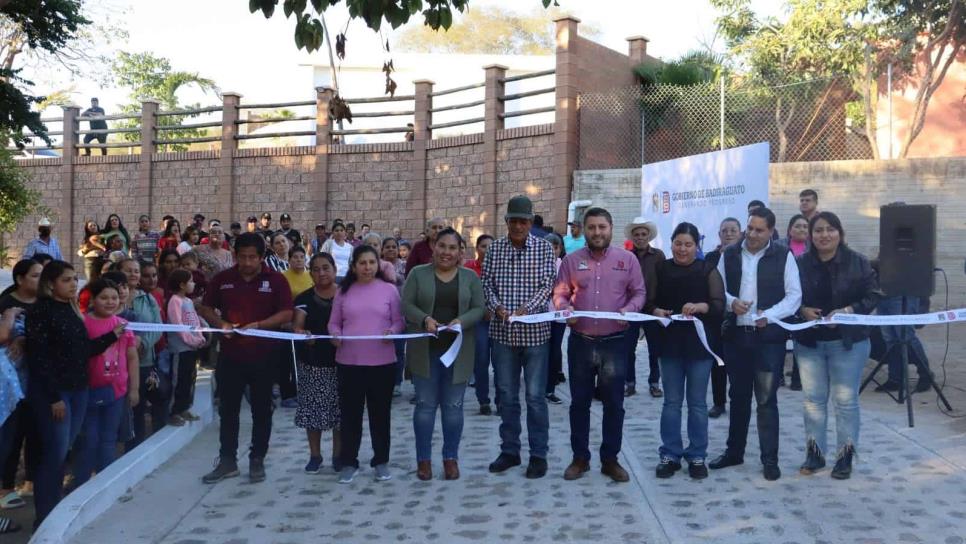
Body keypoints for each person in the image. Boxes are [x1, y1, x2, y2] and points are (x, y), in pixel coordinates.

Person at [25, 261, 125, 527]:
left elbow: (82, 351)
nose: (73, 284)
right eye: (66, 280)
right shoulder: (41, 311)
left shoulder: (71, 310)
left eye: (74, 279)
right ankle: (45, 516)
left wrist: (112, 336)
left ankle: (55, 508)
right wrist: (53, 397)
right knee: (54, 454)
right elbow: (39, 358)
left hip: (79, 389)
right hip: (55, 394)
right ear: (50, 283)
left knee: (64, 450)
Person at [553, 208, 646, 483]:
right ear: (584, 230)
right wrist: (564, 308)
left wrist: (630, 309)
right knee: (579, 403)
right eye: (592, 227)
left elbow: (639, 291)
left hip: (615, 344)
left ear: (611, 228)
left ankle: (610, 460)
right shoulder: (571, 261)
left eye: (601, 227)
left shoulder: (627, 260)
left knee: (614, 404)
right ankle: (580, 458)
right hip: (580, 342)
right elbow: (560, 292)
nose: (597, 233)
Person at [710, 207, 801, 481]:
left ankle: (769, 459)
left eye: (759, 230)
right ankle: (734, 452)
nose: (752, 234)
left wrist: (769, 316)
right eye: (750, 228)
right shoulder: (730, 254)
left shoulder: (783, 256)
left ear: (771, 231)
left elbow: (794, 296)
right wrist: (730, 302)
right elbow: (717, 287)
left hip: (767, 339)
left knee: (766, 400)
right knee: (737, 397)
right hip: (737, 336)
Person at [198, 233, 293, 484]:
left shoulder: (276, 280)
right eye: (242, 257)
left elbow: (286, 313)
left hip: (265, 356)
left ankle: (257, 459)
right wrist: (221, 324)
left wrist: (261, 324)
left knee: (262, 410)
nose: (248, 262)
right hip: (230, 356)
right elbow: (205, 307)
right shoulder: (223, 279)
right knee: (228, 410)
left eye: (253, 257)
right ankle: (227, 460)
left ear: (262, 257)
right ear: (235, 256)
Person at [795, 212, 880, 480]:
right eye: (818, 230)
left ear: (840, 233)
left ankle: (845, 455)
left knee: (845, 401)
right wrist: (802, 310)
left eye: (830, 229)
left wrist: (848, 310)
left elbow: (873, 296)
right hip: (810, 343)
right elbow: (788, 295)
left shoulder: (859, 262)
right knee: (813, 401)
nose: (824, 235)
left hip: (848, 343)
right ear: (811, 236)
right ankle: (815, 453)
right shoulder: (799, 263)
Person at [482, 195, 556, 479]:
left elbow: (548, 284)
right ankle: (510, 450)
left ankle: (539, 455)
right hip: (502, 334)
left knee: (536, 398)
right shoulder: (495, 249)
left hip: (535, 334)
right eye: (513, 220)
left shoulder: (544, 249)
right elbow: (486, 282)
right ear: (506, 221)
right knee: (506, 396)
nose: (518, 225)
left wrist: (528, 308)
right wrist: (496, 306)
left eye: (523, 221)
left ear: (530, 221)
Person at [402, 228, 484, 480]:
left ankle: (450, 458)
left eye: (452, 247)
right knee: (425, 407)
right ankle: (423, 460)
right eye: (442, 246)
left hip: (458, 352)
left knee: (453, 407)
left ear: (460, 252)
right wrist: (424, 318)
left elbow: (479, 308)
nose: (446, 252)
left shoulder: (470, 277)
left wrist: (462, 320)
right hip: (425, 352)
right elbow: (406, 304)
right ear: (433, 247)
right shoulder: (417, 274)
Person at [646, 223, 725, 480]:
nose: (682, 249)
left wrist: (701, 306)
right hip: (669, 345)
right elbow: (648, 301)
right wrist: (656, 310)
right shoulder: (662, 268)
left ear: (697, 246)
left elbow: (719, 305)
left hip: (699, 347)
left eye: (688, 244)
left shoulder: (707, 270)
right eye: (678, 243)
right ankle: (669, 454)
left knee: (698, 403)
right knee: (671, 402)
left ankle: (697, 455)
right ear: (671, 244)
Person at [328, 245, 404, 484]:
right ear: (353, 266)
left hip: (382, 364)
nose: (367, 267)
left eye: (372, 262)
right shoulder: (343, 292)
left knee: (380, 416)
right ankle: (349, 462)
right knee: (350, 416)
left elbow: (400, 321)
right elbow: (333, 323)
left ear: (378, 265)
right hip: (349, 363)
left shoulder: (390, 290)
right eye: (362, 263)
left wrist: (392, 330)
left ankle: (381, 461)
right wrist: (336, 335)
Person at [73, 278, 139, 487]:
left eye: (114, 297)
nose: (110, 302)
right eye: (104, 298)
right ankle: (81, 483)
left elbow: (132, 357)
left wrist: (134, 389)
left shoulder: (123, 325)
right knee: (89, 439)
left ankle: (105, 484)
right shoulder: (83, 323)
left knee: (108, 438)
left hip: (116, 391)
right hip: (88, 391)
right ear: (93, 299)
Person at [292, 253, 341, 474]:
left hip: (343, 362)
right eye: (316, 269)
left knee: (340, 413)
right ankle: (315, 455)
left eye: (326, 268)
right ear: (310, 273)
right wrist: (303, 334)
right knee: (313, 413)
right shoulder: (303, 298)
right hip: (312, 364)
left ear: (335, 269)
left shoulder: (346, 295)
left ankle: (338, 456)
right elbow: (297, 326)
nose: (321, 273)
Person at [0, 260, 42, 514]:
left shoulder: (44, 303)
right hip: (10, 382)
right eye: (35, 276)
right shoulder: (6, 304)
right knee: (10, 436)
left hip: (36, 377)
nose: (40, 280)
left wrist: (26, 339)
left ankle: (30, 480)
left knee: (33, 431)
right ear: (20, 279)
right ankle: (6, 487)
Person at [115, 259, 165, 447]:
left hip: (142, 362)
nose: (134, 274)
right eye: (129, 271)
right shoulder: (111, 298)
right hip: (115, 366)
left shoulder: (148, 298)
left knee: (138, 409)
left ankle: (135, 449)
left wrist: (142, 343)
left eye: (137, 271)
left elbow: (158, 326)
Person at [703, 217, 742, 419]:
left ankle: (737, 400)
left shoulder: (746, 257)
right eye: (724, 230)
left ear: (740, 233)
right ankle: (719, 403)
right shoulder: (710, 257)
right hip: (716, 316)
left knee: (736, 362)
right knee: (717, 362)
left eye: (733, 230)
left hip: (738, 315)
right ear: (719, 234)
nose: (728, 234)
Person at [624, 217, 665, 398]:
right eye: (637, 234)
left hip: (652, 307)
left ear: (649, 236)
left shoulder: (658, 256)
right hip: (631, 308)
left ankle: (654, 383)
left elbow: (664, 281)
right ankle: (630, 383)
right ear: (632, 237)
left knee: (655, 349)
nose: (640, 237)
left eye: (643, 234)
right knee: (628, 349)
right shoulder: (626, 256)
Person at [164, 269, 206, 427]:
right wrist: (191, 340)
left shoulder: (188, 301)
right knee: (178, 380)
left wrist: (200, 337)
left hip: (192, 348)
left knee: (190, 379)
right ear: (182, 285)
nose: (193, 284)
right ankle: (173, 411)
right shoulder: (175, 301)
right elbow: (178, 325)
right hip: (180, 348)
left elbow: (194, 322)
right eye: (190, 281)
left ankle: (184, 407)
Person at [464, 234, 498, 414]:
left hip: (499, 321)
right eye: (483, 246)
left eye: (490, 246)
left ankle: (502, 400)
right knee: (481, 360)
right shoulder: (469, 268)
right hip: (479, 321)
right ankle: (483, 399)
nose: (487, 249)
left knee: (500, 362)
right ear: (477, 248)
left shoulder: (501, 268)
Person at [382, 236, 408, 396]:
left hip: (400, 312)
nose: (391, 249)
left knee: (399, 350)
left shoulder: (404, 266)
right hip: (382, 313)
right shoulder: (377, 266)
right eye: (388, 247)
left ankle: (397, 382)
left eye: (394, 247)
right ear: (382, 249)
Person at [544, 233, 566, 404]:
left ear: (560, 249)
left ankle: (550, 388)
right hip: (541, 315)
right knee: (540, 351)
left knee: (554, 351)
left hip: (558, 316)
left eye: (555, 248)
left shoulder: (564, 266)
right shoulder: (537, 265)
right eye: (549, 247)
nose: (552, 251)